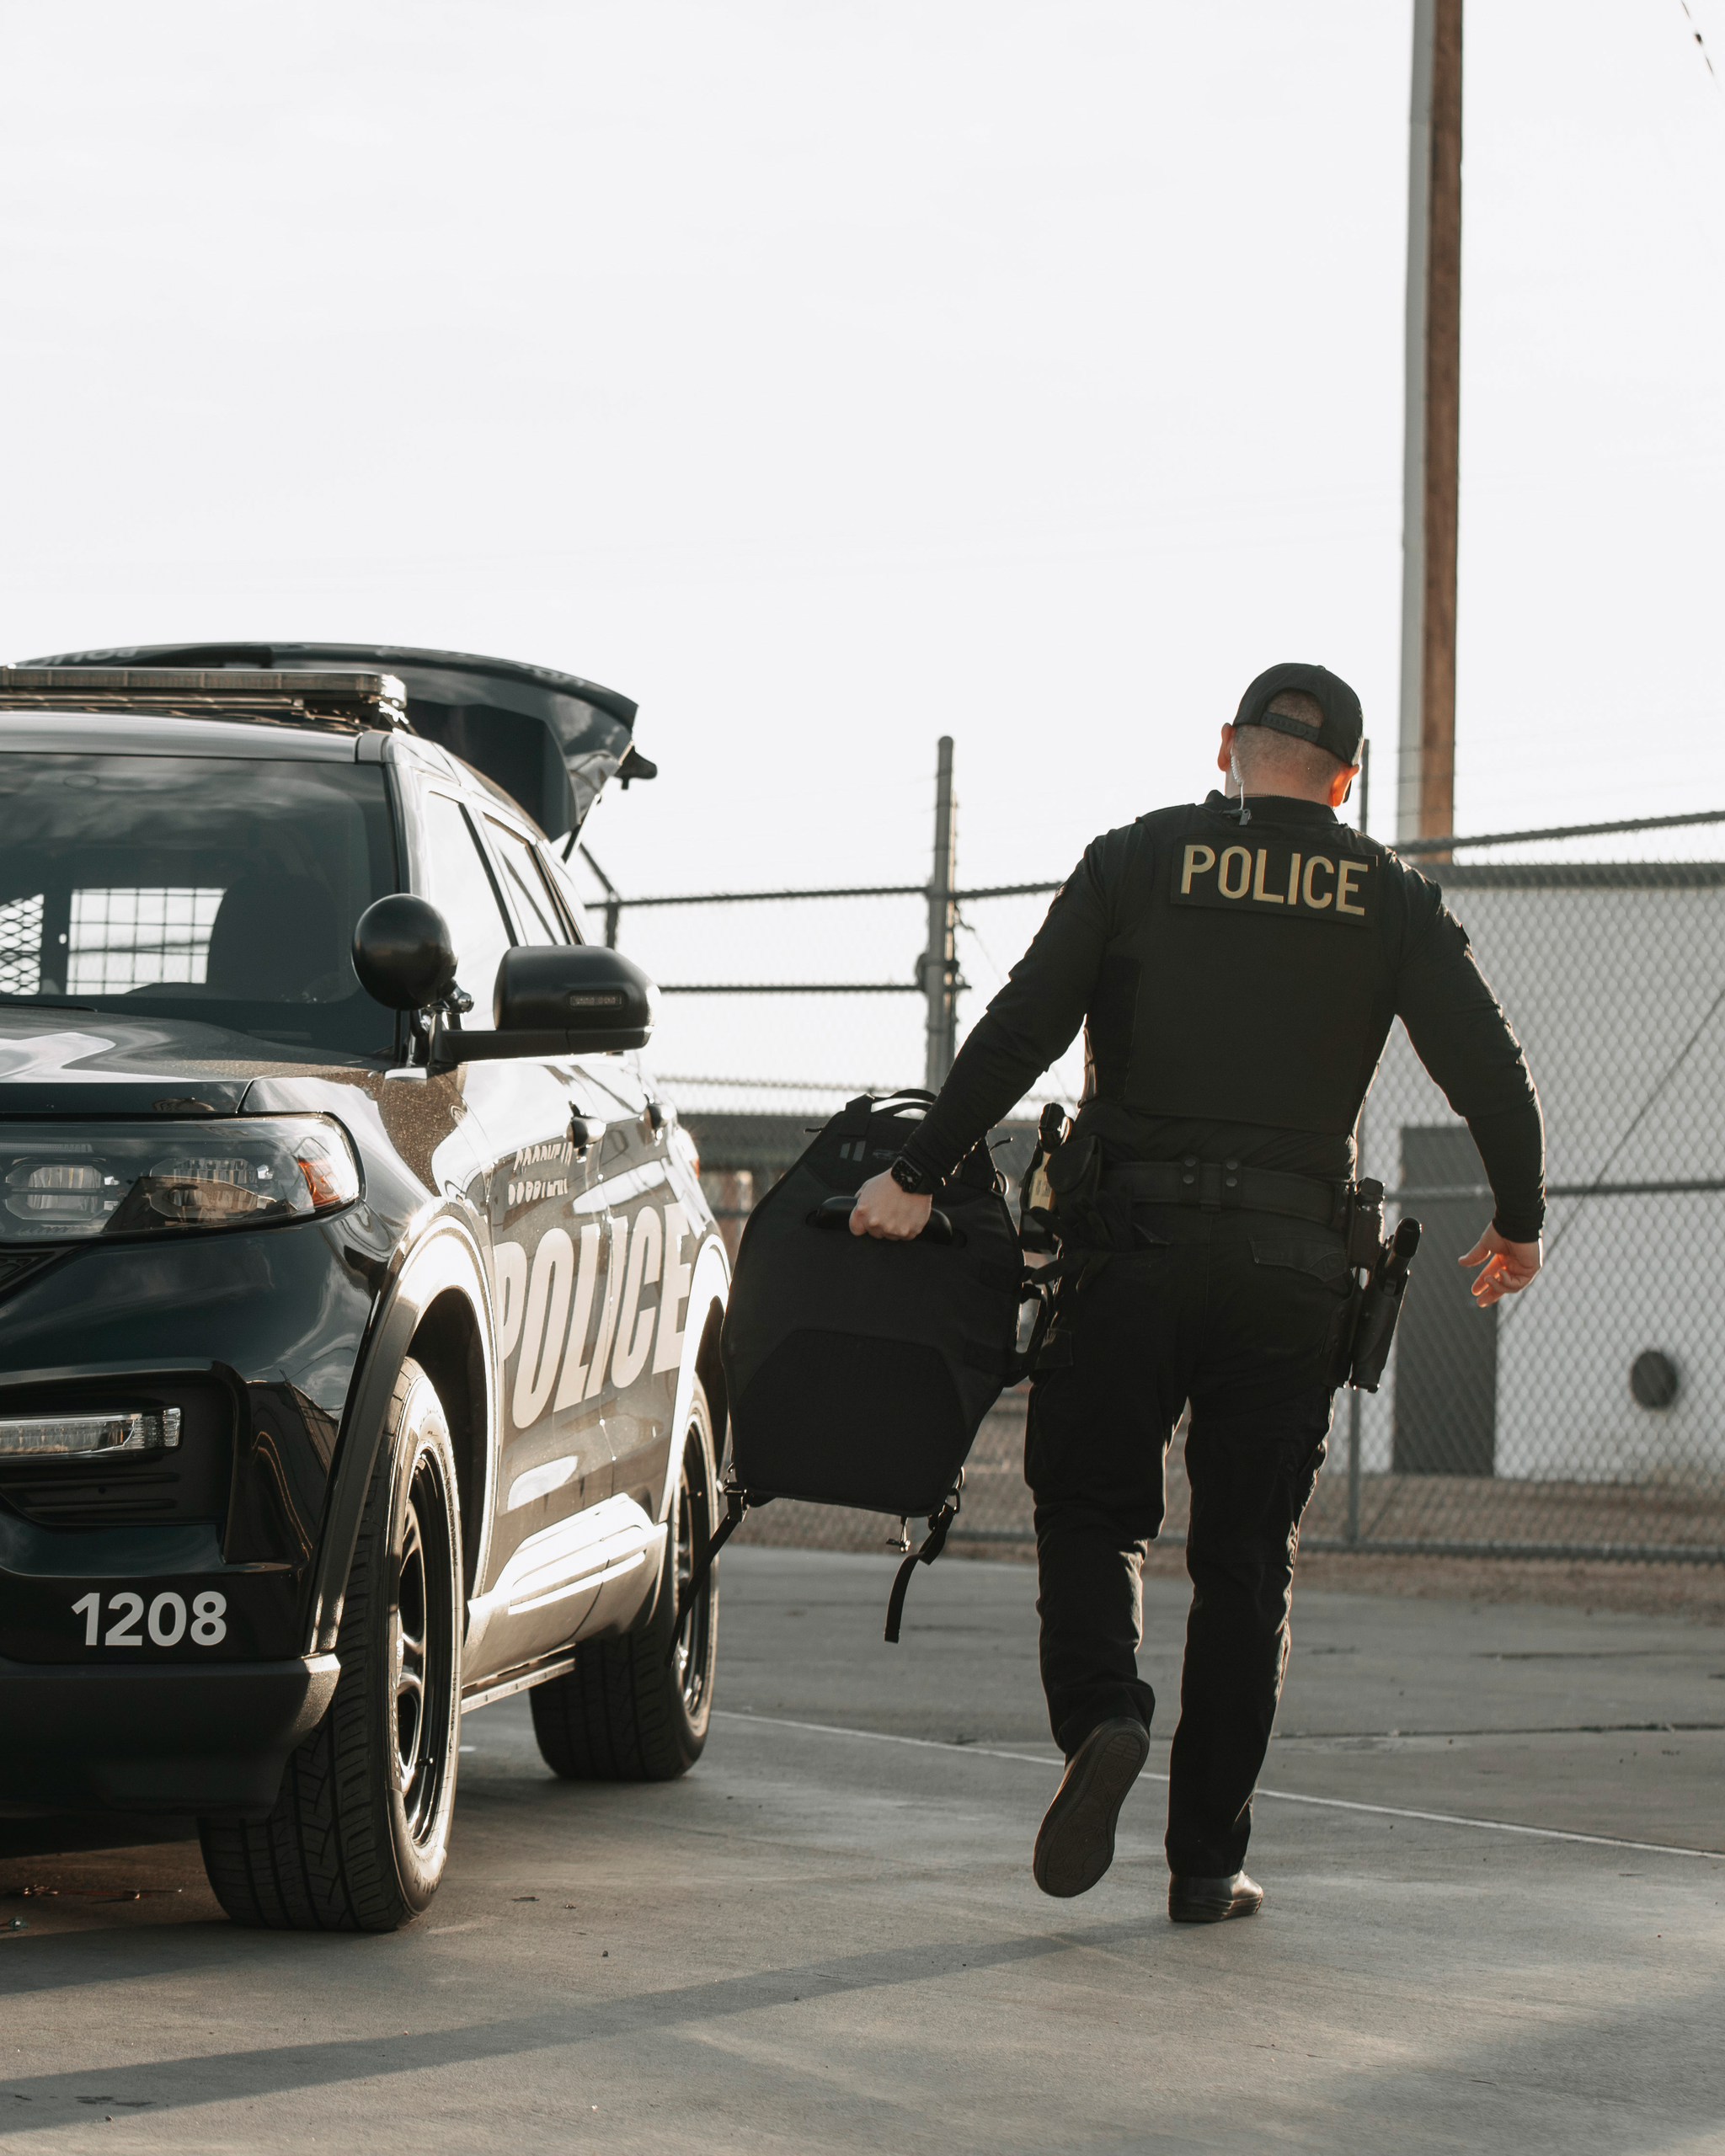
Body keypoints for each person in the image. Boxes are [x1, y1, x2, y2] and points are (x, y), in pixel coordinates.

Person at [849, 661, 1544, 1923]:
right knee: (1245, 1563)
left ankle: (1106, 1717)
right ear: (1345, 780)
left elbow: (1018, 1028)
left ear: (1226, 746)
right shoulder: (1388, 899)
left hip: (1131, 1247)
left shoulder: (1137, 860)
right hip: (1290, 1273)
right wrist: (1521, 1219)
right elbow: (1491, 1072)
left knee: (1093, 1510)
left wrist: (916, 1169)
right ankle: (1206, 1864)